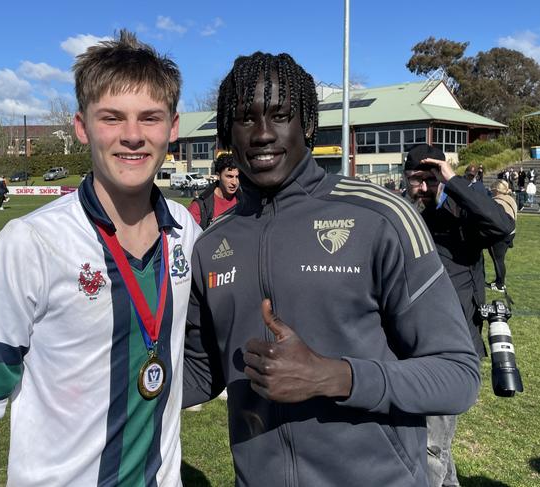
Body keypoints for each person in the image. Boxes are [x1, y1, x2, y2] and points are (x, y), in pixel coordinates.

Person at [183, 51, 480, 487]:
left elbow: (457, 375)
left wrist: (334, 376)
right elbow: (200, 372)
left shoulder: (381, 218)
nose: (263, 133)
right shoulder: (211, 244)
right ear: (229, 131)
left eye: (281, 115)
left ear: (307, 124)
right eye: (246, 118)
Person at [0, 30, 200, 486]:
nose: (133, 136)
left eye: (150, 118)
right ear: (82, 126)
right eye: (112, 118)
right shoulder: (30, 243)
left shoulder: (186, 231)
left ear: (173, 127)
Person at [403, 144, 515, 487]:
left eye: (429, 179)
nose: (423, 187)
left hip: (451, 344)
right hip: (409, 341)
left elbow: (501, 227)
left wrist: (453, 182)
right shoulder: (405, 213)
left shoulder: (462, 212)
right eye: (415, 180)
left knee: (430, 446)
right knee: (432, 447)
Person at [187, 152, 241, 229]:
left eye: (237, 177)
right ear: (218, 176)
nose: (234, 182)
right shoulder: (200, 206)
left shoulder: (244, 201)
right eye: (229, 176)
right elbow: (189, 236)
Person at [487, 180, 517, 292]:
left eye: (492, 190)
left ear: (496, 190)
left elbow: (495, 220)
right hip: (511, 232)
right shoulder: (511, 199)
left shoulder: (497, 202)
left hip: (501, 235)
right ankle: (499, 281)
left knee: (498, 259)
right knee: (500, 259)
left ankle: (500, 284)